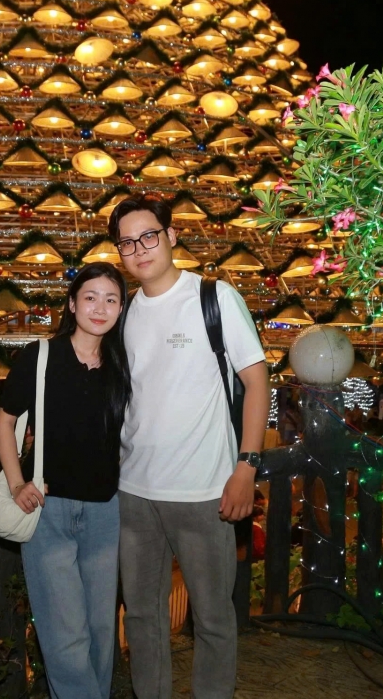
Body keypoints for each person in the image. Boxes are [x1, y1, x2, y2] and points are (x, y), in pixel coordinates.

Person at [109, 195, 269, 699]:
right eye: (127, 242)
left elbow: (257, 381)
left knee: (214, 617)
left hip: (204, 492)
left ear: (171, 236)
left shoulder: (213, 297)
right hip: (134, 492)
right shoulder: (123, 313)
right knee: (142, 616)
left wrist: (246, 467)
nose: (140, 249)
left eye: (148, 236)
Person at [0, 262, 132, 699]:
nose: (100, 308)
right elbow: (5, 420)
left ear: (121, 309)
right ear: (72, 304)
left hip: (106, 512)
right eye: (90, 297)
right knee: (63, 634)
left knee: (100, 631)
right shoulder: (41, 356)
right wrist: (17, 483)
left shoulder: (123, 365)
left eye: (111, 299)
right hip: (48, 511)